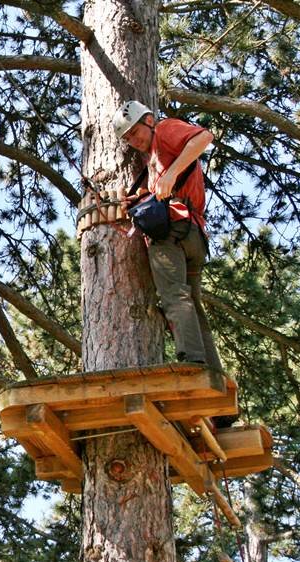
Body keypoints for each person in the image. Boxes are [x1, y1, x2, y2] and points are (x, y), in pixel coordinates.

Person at [113, 100, 224, 374]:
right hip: (193, 235)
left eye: (135, 132)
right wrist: (144, 196)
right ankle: (213, 376)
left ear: (149, 121)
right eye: (127, 138)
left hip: (175, 233)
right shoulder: (152, 156)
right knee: (193, 308)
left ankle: (193, 366)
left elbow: (204, 137)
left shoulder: (164, 130)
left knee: (175, 297)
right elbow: (166, 189)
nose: (133, 140)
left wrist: (171, 174)